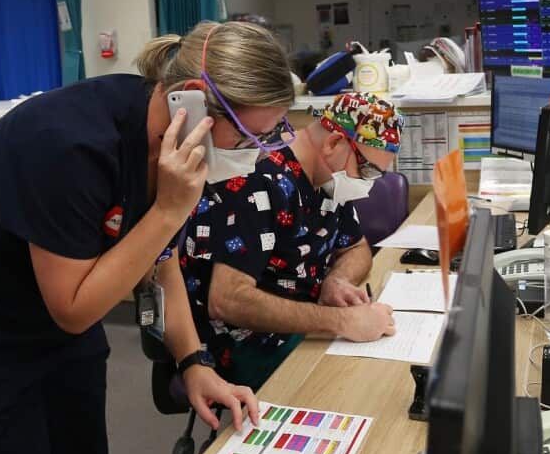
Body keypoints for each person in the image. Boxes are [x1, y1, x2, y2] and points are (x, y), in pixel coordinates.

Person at [0, 21, 297, 454]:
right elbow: (75, 310)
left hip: (57, 327)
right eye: (251, 134)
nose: (256, 155)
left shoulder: (173, 146)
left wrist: (194, 362)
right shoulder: (67, 144)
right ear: (191, 99)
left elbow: (160, 256)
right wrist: (169, 209)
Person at [167, 92, 402, 390]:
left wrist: (336, 280)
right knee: (359, 385)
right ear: (333, 143)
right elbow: (227, 301)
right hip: (243, 342)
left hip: (302, 322)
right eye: (367, 171)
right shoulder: (258, 178)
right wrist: (341, 322)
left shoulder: (329, 179)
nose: (367, 185)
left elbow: (356, 248)